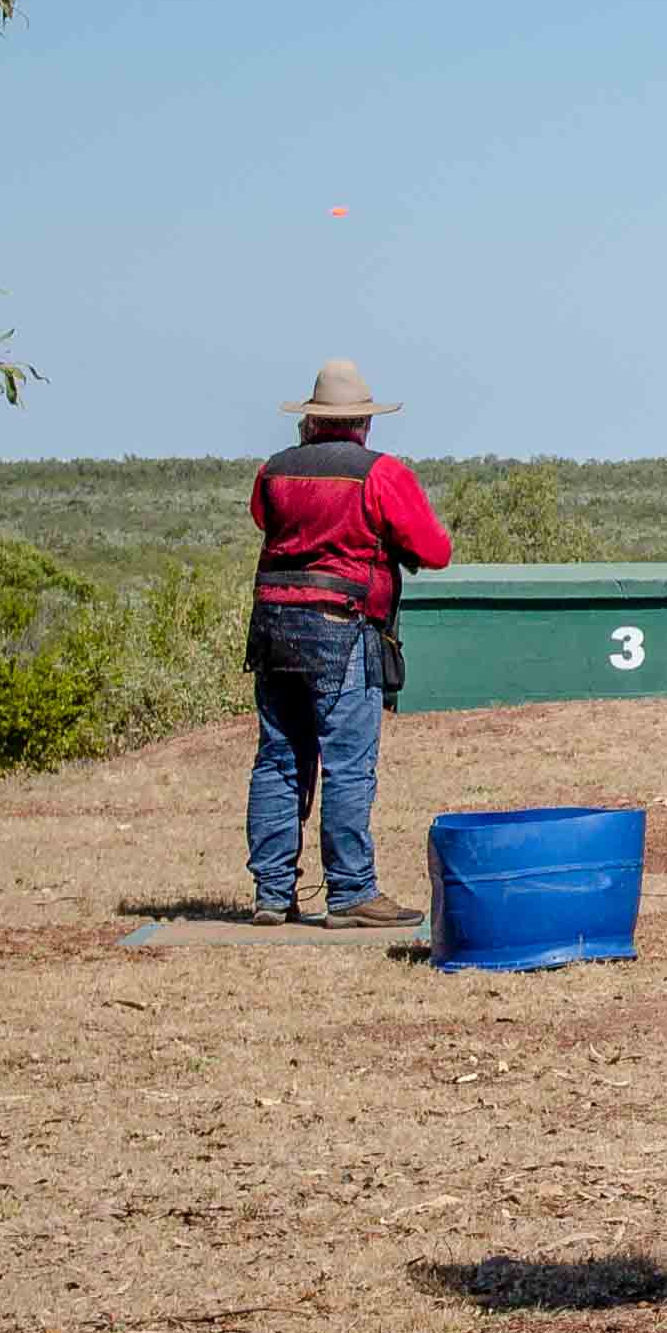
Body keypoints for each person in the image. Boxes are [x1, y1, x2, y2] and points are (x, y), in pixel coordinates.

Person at [244, 357, 450, 923]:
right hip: (343, 625)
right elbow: (434, 550)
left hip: (273, 627)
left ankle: (271, 894)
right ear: (365, 422)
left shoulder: (273, 471)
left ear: (310, 419)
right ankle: (352, 891)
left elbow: (264, 519)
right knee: (347, 763)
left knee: (279, 759)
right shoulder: (381, 474)